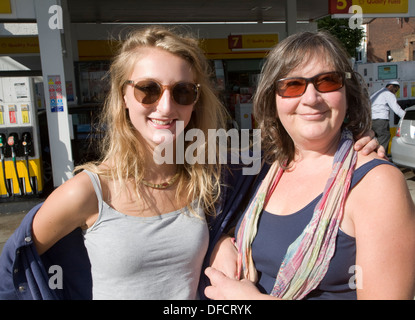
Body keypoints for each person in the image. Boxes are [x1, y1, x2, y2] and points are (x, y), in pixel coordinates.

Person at [0, 26, 381, 300]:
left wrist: (352, 148)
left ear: (195, 101)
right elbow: (14, 266)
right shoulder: (87, 191)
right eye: (148, 89)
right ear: (124, 97)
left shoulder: (215, 176)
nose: (165, 107)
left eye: (182, 91)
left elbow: (298, 161)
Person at [204, 31, 415, 300]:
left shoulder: (376, 183)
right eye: (293, 85)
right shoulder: (266, 168)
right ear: (273, 99)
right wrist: (223, 243)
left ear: (347, 93)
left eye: (327, 81)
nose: (311, 98)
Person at [370, 80, 406, 153]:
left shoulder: (376, 93)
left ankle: (374, 156)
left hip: (371, 120)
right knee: (385, 137)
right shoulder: (388, 94)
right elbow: (397, 109)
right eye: (395, 89)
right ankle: (382, 157)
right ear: (390, 86)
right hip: (381, 121)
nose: (395, 92)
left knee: (374, 139)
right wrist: (407, 116)